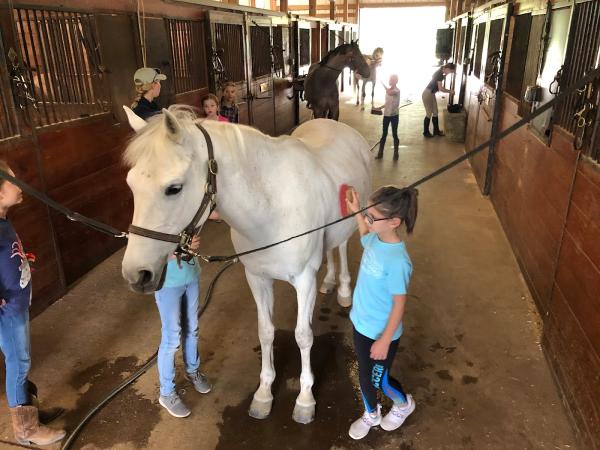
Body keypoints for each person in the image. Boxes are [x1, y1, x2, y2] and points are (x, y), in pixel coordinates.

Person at [0, 160, 66, 446]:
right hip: (7, 311)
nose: (20, 186)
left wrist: (21, 264)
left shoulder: (3, 221)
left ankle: (31, 413)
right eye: (13, 181)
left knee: (21, 360)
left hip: (17, 303)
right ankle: (25, 430)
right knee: (19, 361)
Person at [345, 185, 418, 440]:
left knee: (381, 380)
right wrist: (357, 211)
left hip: (381, 333)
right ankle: (371, 413)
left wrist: (385, 339)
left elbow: (399, 303)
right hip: (361, 323)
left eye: (372, 216)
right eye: (367, 212)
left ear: (394, 222)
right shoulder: (376, 238)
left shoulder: (398, 261)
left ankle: (404, 404)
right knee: (365, 375)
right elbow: (365, 233)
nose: (367, 219)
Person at [155, 233, 213, 418]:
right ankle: (166, 393)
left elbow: (215, 213)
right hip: (167, 283)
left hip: (191, 277)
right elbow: (145, 252)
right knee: (172, 338)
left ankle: (193, 371)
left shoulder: (185, 211)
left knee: (192, 329)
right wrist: (177, 250)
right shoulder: (151, 216)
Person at [422, 63, 456, 138]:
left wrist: (446, 73)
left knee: (435, 112)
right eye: (450, 71)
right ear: (447, 68)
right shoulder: (440, 74)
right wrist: (450, 91)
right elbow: (441, 89)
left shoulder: (441, 71)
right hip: (427, 94)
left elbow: (441, 77)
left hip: (431, 93)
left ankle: (436, 131)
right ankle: (426, 132)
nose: (449, 73)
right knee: (429, 113)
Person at [375, 74, 401, 161]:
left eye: (393, 80)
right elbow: (387, 102)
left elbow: (389, 93)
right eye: (390, 80)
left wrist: (382, 84)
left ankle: (396, 153)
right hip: (386, 115)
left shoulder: (397, 90)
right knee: (384, 134)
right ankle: (380, 153)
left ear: (396, 81)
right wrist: (380, 108)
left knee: (394, 134)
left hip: (394, 116)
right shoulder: (389, 90)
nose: (391, 81)